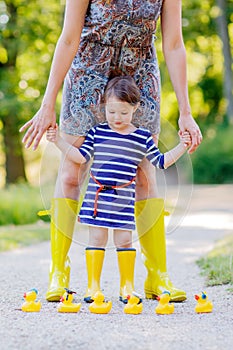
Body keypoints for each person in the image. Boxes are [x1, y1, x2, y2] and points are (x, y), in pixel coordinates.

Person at [19, 0, 202, 302]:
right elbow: (68, 37)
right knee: (71, 172)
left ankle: (157, 275)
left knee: (145, 174)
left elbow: (174, 44)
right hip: (88, 70)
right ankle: (59, 272)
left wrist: (185, 111)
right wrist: (47, 102)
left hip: (140, 72)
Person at [46, 76, 192, 303]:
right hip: (98, 200)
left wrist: (183, 146)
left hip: (124, 201)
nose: (117, 118)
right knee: (97, 240)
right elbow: (80, 157)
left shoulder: (142, 137)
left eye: (124, 113)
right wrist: (57, 142)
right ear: (104, 105)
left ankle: (127, 287)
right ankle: (93, 288)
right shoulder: (98, 132)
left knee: (124, 241)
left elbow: (161, 161)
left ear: (135, 108)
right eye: (112, 112)